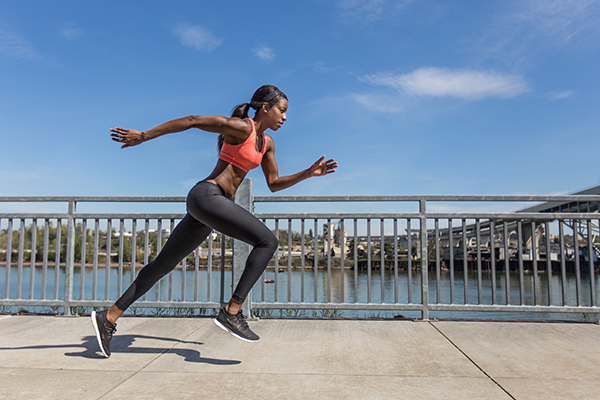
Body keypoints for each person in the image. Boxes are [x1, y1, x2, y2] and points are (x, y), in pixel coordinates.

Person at [91, 85, 337, 358]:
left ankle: (109, 317)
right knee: (268, 241)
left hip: (211, 205)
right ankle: (232, 311)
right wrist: (144, 135)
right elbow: (192, 121)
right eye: (282, 110)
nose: (285, 117)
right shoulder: (241, 128)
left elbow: (274, 184)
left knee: (163, 264)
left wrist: (308, 173)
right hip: (207, 195)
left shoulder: (267, 143)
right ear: (265, 108)